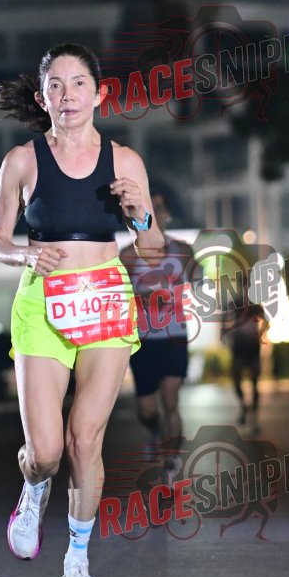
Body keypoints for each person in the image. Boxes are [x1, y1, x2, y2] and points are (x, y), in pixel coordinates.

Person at [0, 44, 163, 577]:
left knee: (85, 438)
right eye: (56, 86)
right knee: (45, 451)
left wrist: (141, 216)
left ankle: (78, 560)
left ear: (99, 93)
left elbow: (153, 250)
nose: (68, 95)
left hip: (105, 301)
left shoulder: (126, 162)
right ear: (43, 99)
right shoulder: (22, 160)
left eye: (79, 83)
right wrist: (24, 255)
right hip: (43, 303)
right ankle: (33, 490)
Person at [119, 193, 194, 457]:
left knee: (171, 401)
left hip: (175, 336)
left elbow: (199, 283)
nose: (154, 213)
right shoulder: (128, 255)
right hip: (142, 340)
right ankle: (153, 429)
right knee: (147, 410)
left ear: (167, 214)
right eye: (148, 207)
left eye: (159, 208)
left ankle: (172, 462)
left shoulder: (182, 251)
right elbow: (118, 296)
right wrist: (144, 297)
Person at [225, 302, 266, 424]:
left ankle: (254, 413)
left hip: (252, 347)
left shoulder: (256, 306)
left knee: (255, 382)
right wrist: (229, 335)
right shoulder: (235, 303)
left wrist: (260, 334)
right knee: (236, 381)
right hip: (239, 347)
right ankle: (244, 405)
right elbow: (226, 319)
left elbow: (266, 320)